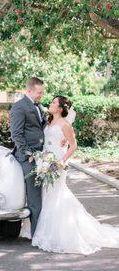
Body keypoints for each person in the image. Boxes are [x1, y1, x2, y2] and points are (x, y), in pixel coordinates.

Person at [20, 95, 119, 255]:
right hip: (45, 159)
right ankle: (40, 229)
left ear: (60, 108)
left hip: (58, 161)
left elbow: (73, 145)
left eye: (53, 103)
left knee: (56, 194)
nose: (50, 104)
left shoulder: (65, 125)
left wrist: (62, 161)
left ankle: (55, 233)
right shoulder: (48, 120)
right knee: (44, 194)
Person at [10, 77, 66, 237]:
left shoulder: (39, 106)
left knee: (45, 195)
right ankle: (37, 235)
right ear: (29, 91)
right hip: (29, 158)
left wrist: (60, 137)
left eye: (42, 92)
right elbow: (16, 135)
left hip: (44, 156)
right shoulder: (19, 107)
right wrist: (30, 154)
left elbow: (48, 126)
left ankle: (41, 231)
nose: (42, 95)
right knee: (35, 198)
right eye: (39, 92)